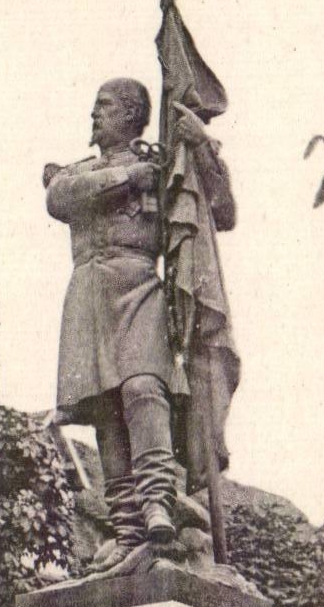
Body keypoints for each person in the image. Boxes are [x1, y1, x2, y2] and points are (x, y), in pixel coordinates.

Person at [45, 77, 235, 571]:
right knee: (104, 407)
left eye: (104, 106)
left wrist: (200, 146)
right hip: (88, 293)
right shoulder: (80, 172)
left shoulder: (164, 164)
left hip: (138, 285)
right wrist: (131, 178)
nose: (94, 115)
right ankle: (127, 527)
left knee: (143, 388)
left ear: (132, 114)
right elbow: (59, 198)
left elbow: (222, 211)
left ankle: (157, 504)